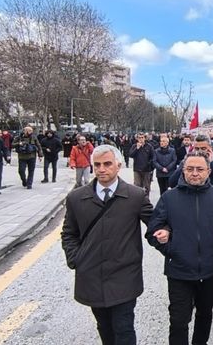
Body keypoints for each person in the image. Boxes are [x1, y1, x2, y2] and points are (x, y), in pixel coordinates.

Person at [61, 144, 157, 345]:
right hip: (92, 275)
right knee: (104, 327)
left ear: (118, 165)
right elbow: (69, 233)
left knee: (124, 328)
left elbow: (156, 224)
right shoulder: (77, 198)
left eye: (107, 164)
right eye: (97, 165)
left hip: (124, 275)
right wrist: (76, 259)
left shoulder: (136, 196)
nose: (102, 169)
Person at [146, 151, 213, 345]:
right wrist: (170, 247)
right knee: (179, 320)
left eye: (200, 169)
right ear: (183, 171)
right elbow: (152, 231)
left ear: (208, 171)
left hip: (210, 270)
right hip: (179, 271)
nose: (195, 173)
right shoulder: (169, 197)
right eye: (190, 169)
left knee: (205, 314)